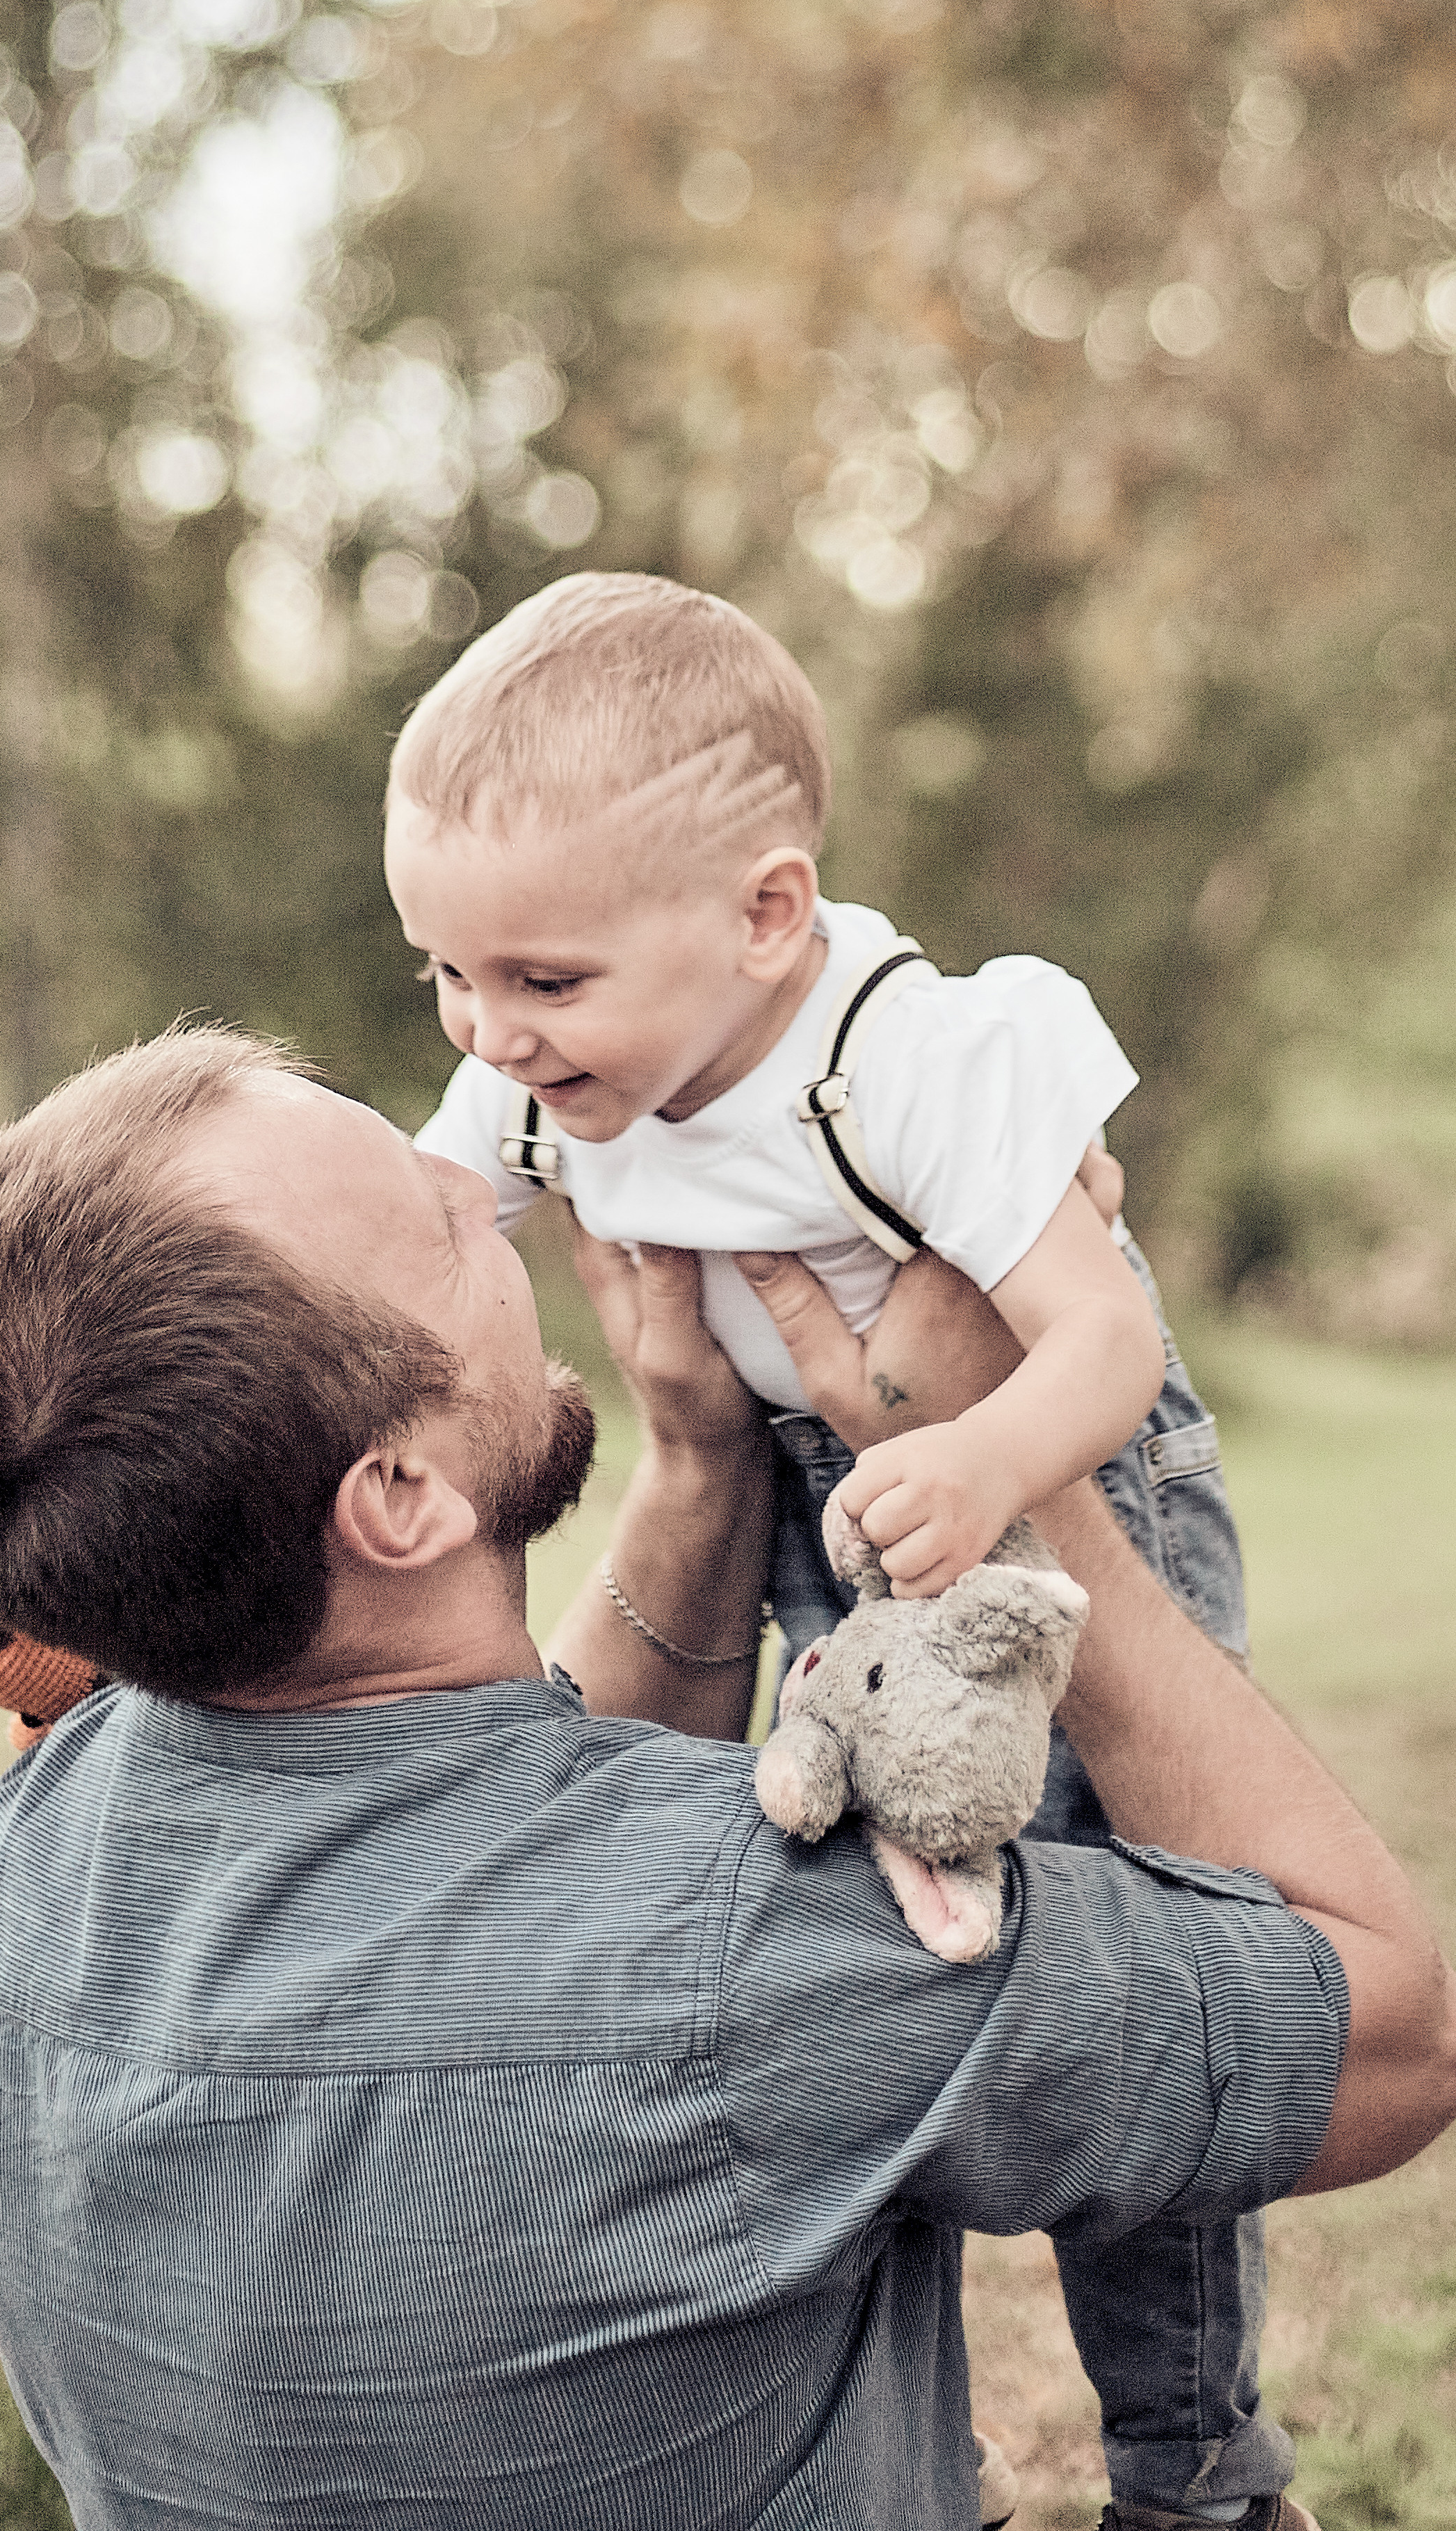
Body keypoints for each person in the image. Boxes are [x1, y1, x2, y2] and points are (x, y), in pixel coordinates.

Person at [0, 1026, 1456, 2531]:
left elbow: (529, 1862)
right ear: (395, 1493)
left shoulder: (30, 1848)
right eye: (433, 1215)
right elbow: (1392, 2027)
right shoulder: (775, 1951)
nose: (482, 1177)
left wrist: (700, 1462)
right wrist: (1019, 1471)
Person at [383, 573, 1270, 2520]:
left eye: (537, 982)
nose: (485, 1033)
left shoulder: (903, 1063)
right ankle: (899, 2456)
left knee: (1137, 1952)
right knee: (852, 1976)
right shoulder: (532, 1069)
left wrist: (980, 1465)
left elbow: (1103, 1337)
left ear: (764, 914)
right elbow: (388, 1258)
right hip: (820, 1502)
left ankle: (1194, 2463)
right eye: (440, 977)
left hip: (1053, 1484)